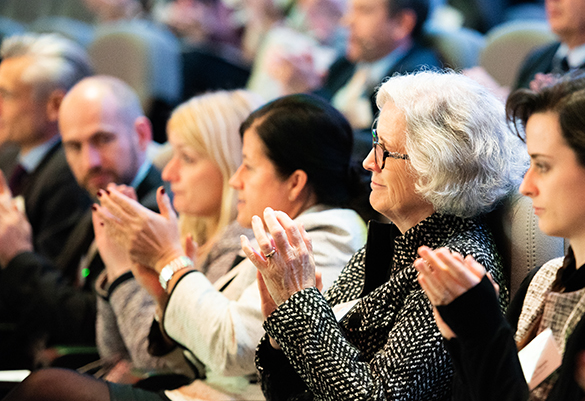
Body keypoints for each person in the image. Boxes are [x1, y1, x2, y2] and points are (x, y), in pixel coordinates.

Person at [3, 93, 368, 401]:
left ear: (295, 182)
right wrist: (159, 295)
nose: (236, 180)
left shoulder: (320, 237)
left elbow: (234, 349)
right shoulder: (272, 234)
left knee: (48, 388)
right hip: (192, 390)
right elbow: (171, 357)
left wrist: (168, 262)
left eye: (248, 166)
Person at [243, 70, 526, 400]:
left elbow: (379, 398)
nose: (367, 162)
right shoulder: (395, 242)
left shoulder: (457, 266)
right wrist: (284, 328)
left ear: (436, 165)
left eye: (384, 150)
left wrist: (300, 304)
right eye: (373, 144)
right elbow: (289, 391)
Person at [415, 71, 585, 401]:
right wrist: (463, 338)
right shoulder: (541, 280)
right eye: (529, 163)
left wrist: (482, 330)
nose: (526, 187)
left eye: (542, 165)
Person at [94, 90, 262, 378]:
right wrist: (115, 271)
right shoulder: (184, 232)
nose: (169, 173)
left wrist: (121, 271)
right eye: (172, 155)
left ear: (231, 164)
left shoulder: (243, 245)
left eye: (187, 158)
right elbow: (112, 353)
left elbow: (159, 361)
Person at [0, 75, 161, 369]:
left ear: (140, 134)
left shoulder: (154, 211)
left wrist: (18, 256)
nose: (90, 161)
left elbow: (92, 323)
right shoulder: (103, 196)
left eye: (103, 139)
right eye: (74, 147)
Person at [269, 0, 442, 132]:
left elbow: (376, 148)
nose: (347, 21)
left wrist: (310, 93)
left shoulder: (416, 82)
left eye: (364, 11)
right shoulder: (347, 63)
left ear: (401, 24)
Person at [0, 33, 92, 264]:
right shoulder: (10, 157)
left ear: (56, 105)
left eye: (5, 95)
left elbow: (49, 286)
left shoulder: (69, 175)